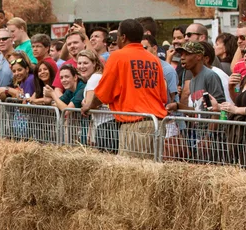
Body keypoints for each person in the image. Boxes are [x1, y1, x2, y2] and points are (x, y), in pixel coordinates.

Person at [82, 19, 167, 159]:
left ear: (123, 37)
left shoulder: (117, 57)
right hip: (156, 124)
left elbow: (104, 93)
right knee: (151, 174)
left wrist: (88, 106)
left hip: (134, 124)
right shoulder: (153, 59)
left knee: (133, 175)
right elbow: (163, 96)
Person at [78, 50, 117, 152]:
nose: (82, 66)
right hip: (107, 123)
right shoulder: (98, 76)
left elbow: (90, 104)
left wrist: (83, 103)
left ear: (94, 64)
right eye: (79, 63)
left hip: (105, 124)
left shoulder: (94, 78)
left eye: (85, 63)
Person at [52, 31, 86, 95]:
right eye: (69, 44)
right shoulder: (65, 65)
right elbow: (57, 89)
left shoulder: (93, 62)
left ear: (84, 43)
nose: (72, 46)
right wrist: (64, 103)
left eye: (75, 43)